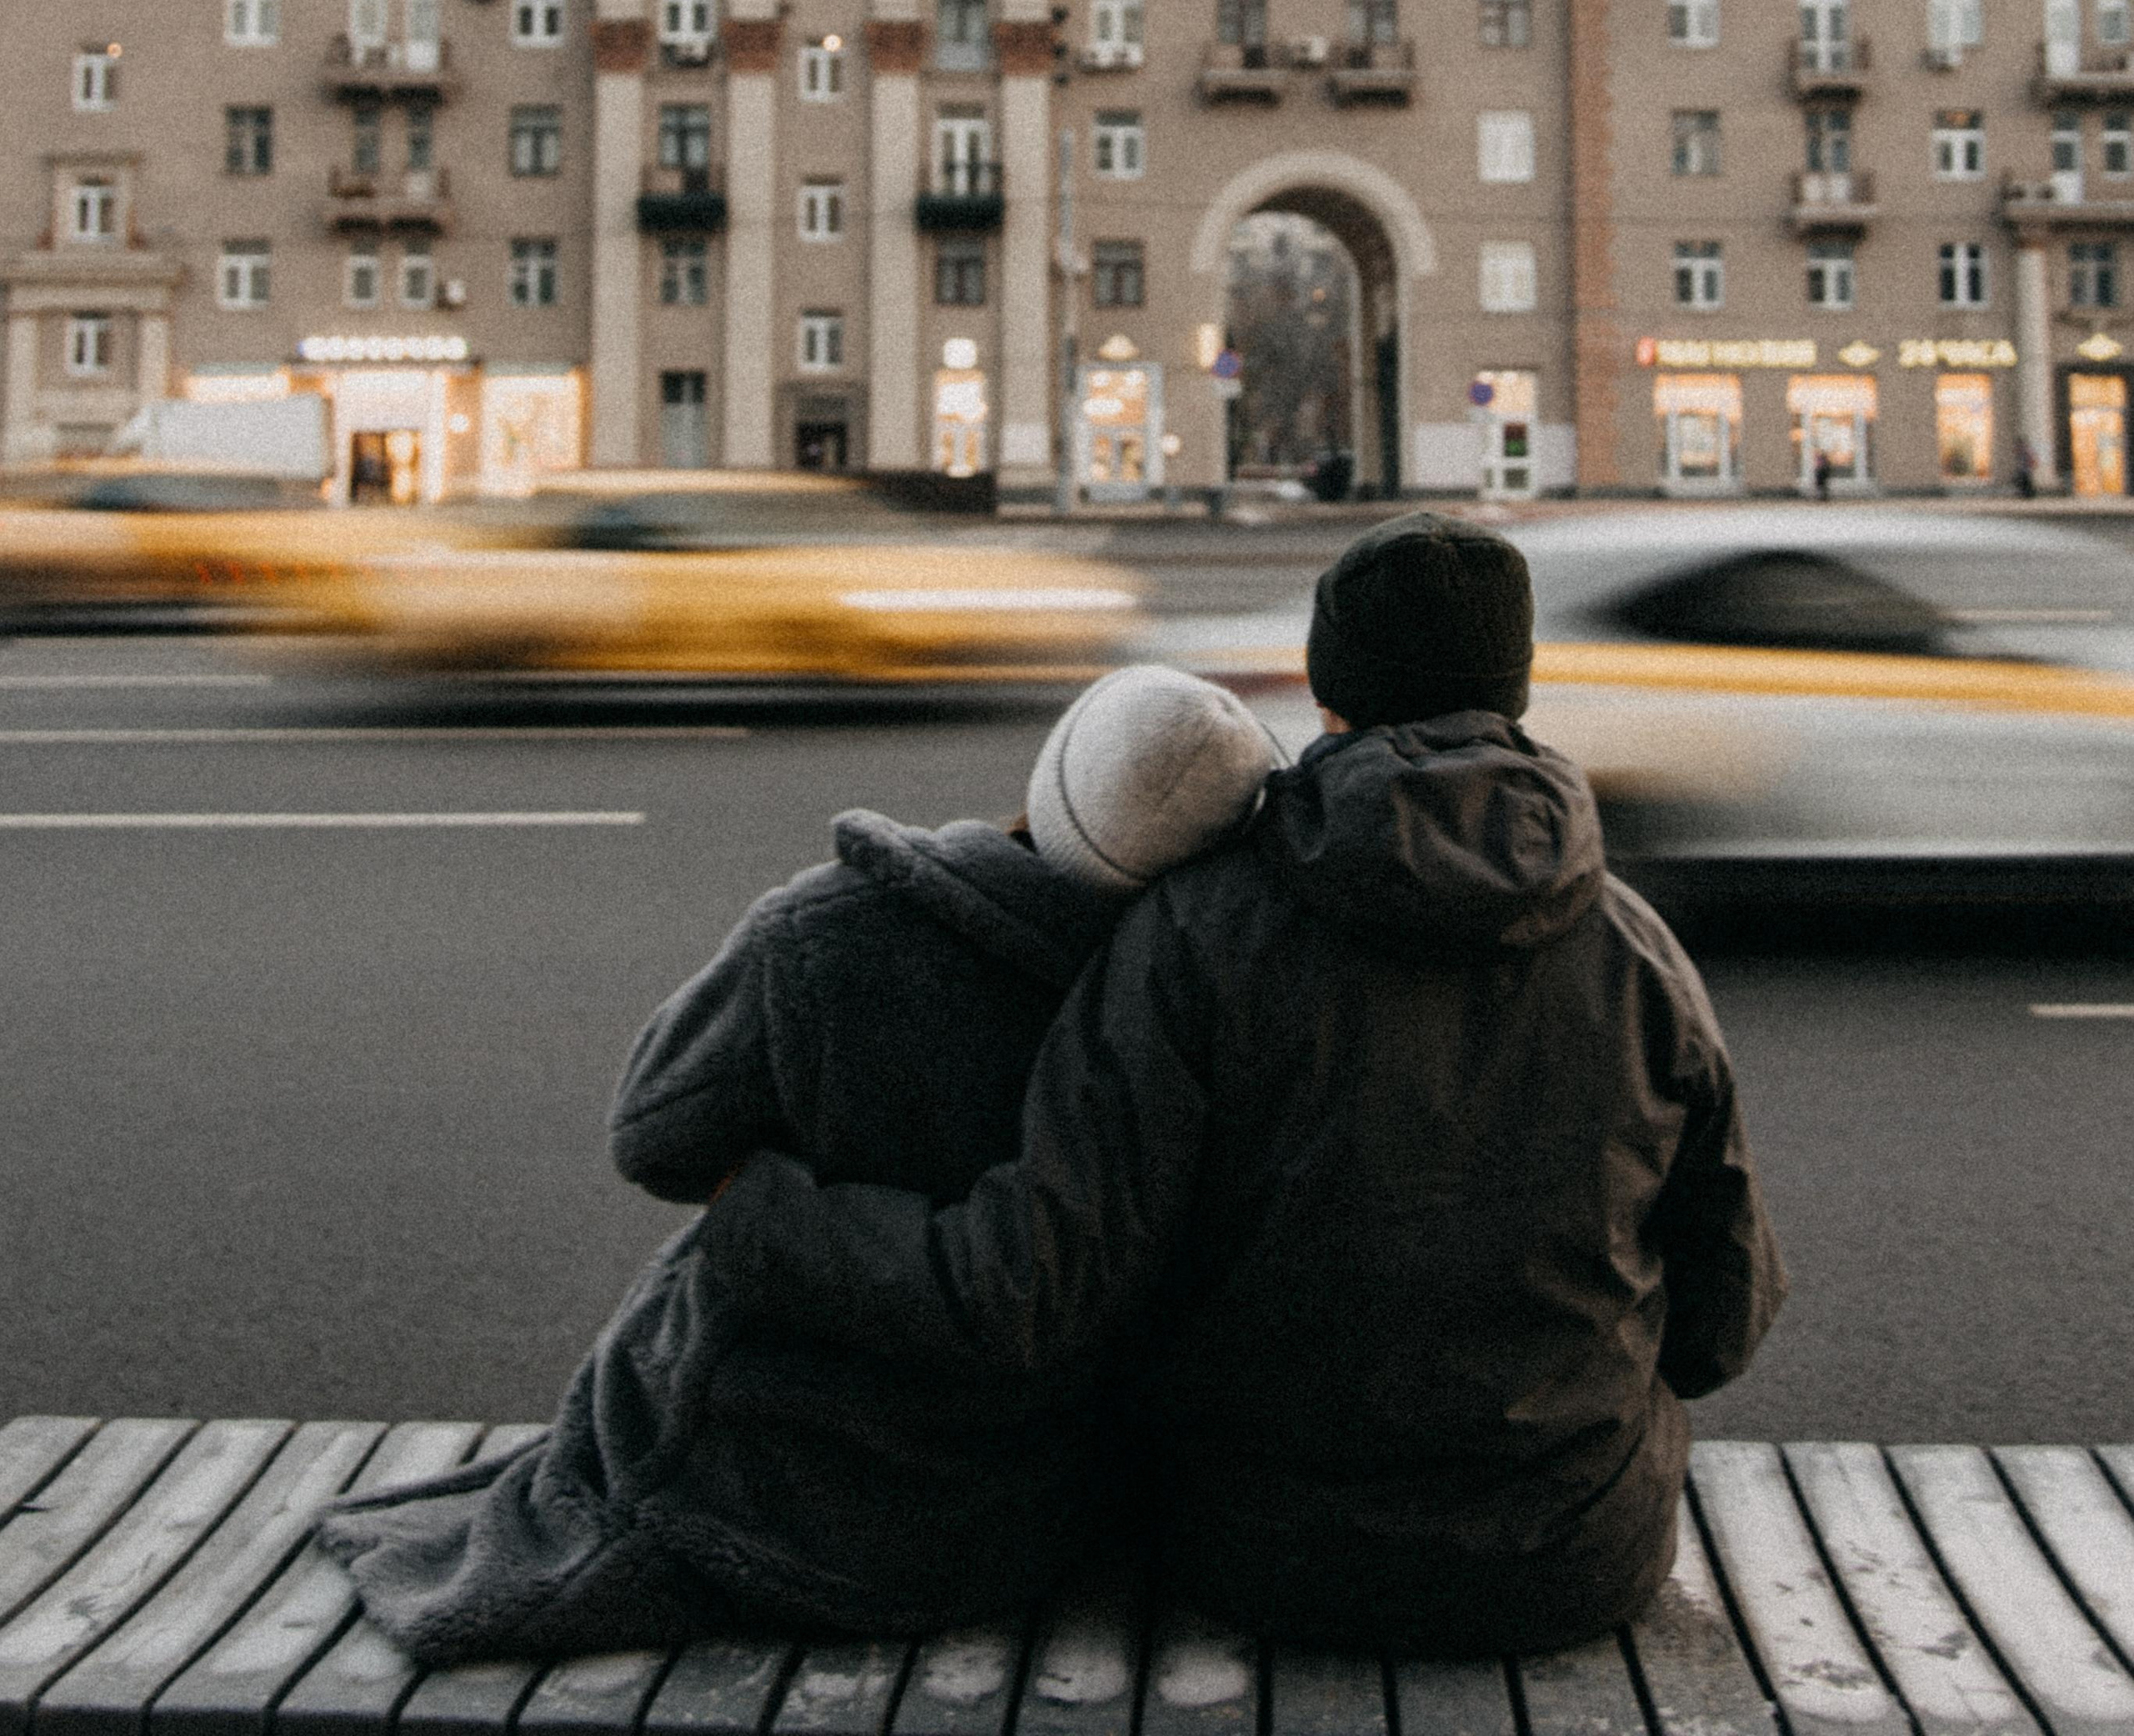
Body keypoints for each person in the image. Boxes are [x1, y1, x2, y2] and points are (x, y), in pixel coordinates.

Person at [711, 513, 1786, 1656]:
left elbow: (1034, 1288)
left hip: (1268, 1556)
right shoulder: (1637, 949)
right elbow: (1723, 1324)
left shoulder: (1196, 935)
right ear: (1514, 695)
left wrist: (765, 1220)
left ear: (1328, 700)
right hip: (1576, 1561)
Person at [315, 664, 1275, 1660]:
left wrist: (764, 1201)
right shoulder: (1196, 998)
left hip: (764, 1480)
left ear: (1052, 777)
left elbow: (654, 1138)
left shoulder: (830, 928)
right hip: (1023, 1500)